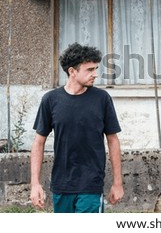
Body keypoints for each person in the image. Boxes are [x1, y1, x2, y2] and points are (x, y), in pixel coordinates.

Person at [30, 42, 124, 213]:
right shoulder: (50, 100)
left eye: (95, 68)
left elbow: (113, 140)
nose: (95, 74)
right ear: (72, 71)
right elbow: (38, 142)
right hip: (61, 184)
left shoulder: (102, 99)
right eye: (89, 70)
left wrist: (117, 183)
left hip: (91, 184)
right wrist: (35, 184)